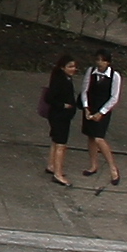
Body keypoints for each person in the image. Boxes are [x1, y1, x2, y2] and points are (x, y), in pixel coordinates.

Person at [78, 50, 123, 182]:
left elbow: (114, 97)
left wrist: (101, 112)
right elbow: (84, 90)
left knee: (99, 138)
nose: (99, 63)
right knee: (90, 136)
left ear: (108, 62)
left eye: (102, 60)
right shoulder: (91, 71)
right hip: (91, 106)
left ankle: (113, 167)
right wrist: (86, 108)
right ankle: (93, 165)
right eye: (98, 60)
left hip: (103, 109)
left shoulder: (115, 76)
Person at [38, 56, 80, 187]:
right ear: (63, 67)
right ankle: (58, 173)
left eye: (74, 66)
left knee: (56, 141)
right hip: (59, 116)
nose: (73, 69)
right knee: (61, 144)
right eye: (70, 66)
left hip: (61, 116)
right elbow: (50, 98)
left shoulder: (65, 78)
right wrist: (63, 105)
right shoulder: (60, 80)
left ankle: (51, 165)